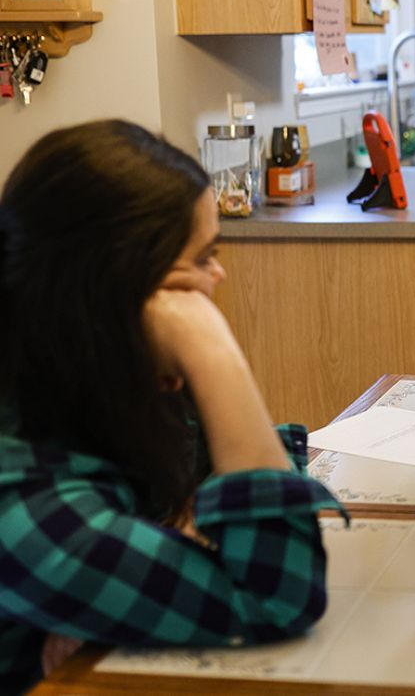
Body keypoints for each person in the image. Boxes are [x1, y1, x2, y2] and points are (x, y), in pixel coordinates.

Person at [0, 120, 344, 693]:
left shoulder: (93, 381)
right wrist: (216, 356)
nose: (219, 275)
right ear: (116, 290)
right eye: (203, 257)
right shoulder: (17, 501)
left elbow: (248, 504)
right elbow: (276, 591)